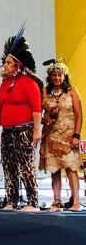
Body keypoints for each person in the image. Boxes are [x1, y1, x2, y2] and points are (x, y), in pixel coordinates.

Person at [0, 26, 43, 212]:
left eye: (9, 62)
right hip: (8, 131)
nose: (5, 65)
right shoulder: (4, 84)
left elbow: (37, 109)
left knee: (26, 166)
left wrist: (37, 130)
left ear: (18, 65)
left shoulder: (29, 83)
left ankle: (33, 202)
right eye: (5, 62)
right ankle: (11, 200)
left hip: (24, 130)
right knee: (9, 165)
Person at [39, 58, 82, 212]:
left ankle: (76, 201)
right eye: (54, 75)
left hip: (69, 135)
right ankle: (57, 201)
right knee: (54, 169)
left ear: (64, 75)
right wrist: (46, 120)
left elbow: (79, 115)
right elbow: (38, 113)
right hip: (51, 135)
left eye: (60, 74)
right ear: (50, 76)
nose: (57, 77)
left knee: (71, 168)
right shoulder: (45, 91)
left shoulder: (72, 90)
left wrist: (76, 135)